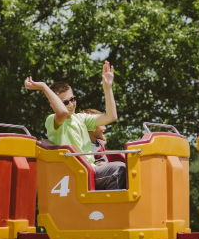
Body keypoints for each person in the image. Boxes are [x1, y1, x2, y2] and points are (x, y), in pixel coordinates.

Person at [23, 61, 126, 190]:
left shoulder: (81, 118)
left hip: (89, 170)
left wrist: (108, 88)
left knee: (129, 168)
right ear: (54, 104)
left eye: (73, 99)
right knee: (119, 169)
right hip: (75, 173)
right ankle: (110, 209)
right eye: (65, 102)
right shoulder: (52, 121)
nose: (71, 105)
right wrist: (44, 87)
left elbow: (111, 117)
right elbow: (62, 112)